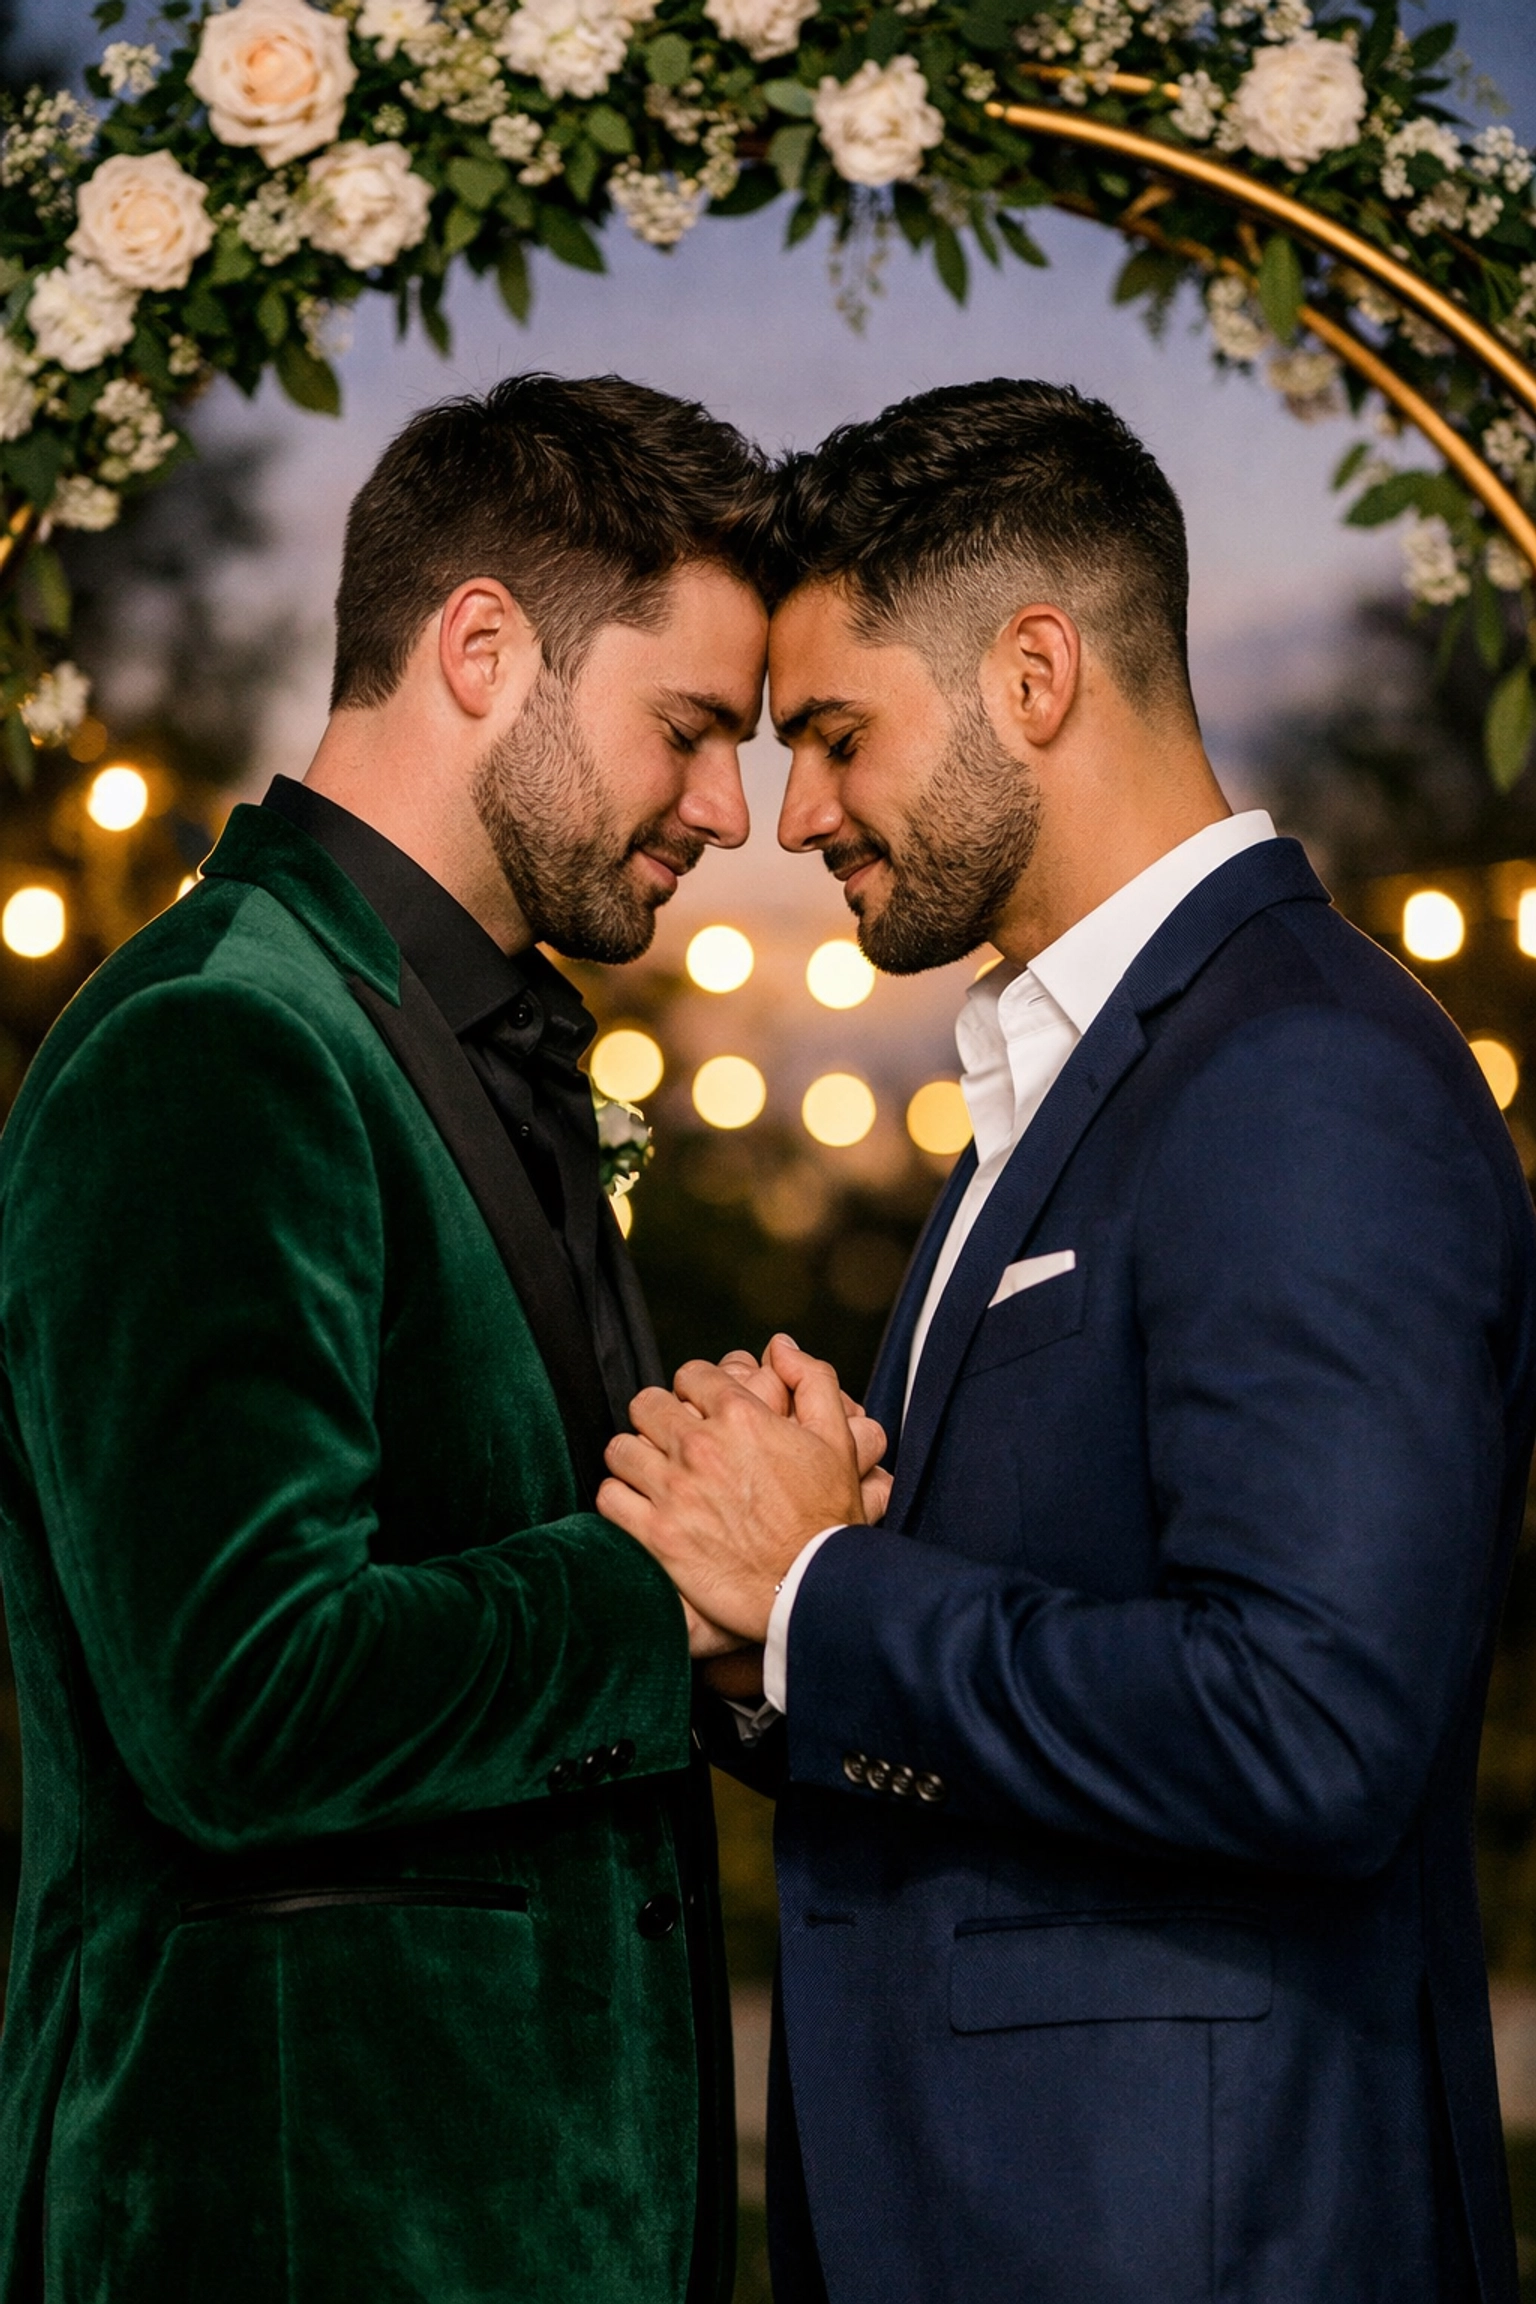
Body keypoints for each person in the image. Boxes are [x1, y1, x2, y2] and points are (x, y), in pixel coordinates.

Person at [598, 379, 1536, 2304]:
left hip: (1197, 2234)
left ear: (1036, 671)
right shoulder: (1067, 1078)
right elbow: (1035, 1663)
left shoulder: (1295, 1072)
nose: (793, 817)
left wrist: (822, 1591)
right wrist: (755, 1629)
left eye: (841, 737)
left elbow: (1311, 1729)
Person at [0, 372, 780, 2304]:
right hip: (299, 2208)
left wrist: (770, 1541)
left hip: (540, 2213)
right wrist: (671, 1582)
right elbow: (243, 1704)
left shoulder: (475, 1037)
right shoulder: (218, 1044)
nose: (727, 811)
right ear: (484, 646)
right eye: (685, 730)